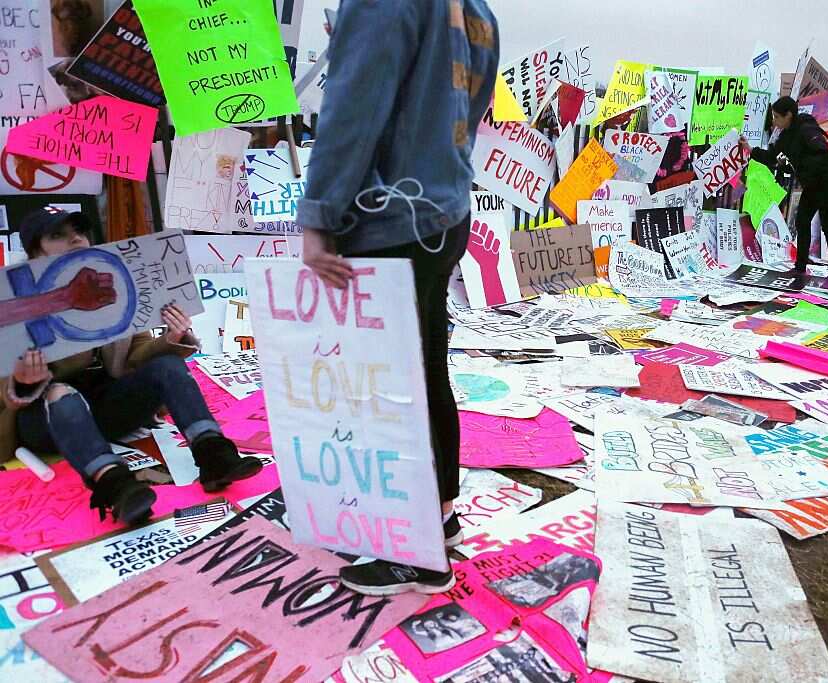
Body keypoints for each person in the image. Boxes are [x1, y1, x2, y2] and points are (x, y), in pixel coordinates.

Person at [296, 0, 499, 596]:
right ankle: (438, 513)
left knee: (387, 387)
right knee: (423, 368)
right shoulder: (477, 8)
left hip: (390, 216)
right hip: (440, 208)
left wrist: (319, 218)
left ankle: (420, 549)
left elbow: (353, 105)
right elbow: (471, 105)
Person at [1, 207, 262, 524]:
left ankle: (214, 455)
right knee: (59, 391)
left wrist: (172, 337)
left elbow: (138, 356)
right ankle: (115, 487)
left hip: (109, 408)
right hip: (49, 419)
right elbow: (7, 394)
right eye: (57, 235)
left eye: (79, 231)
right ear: (34, 252)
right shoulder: (13, 304)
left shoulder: (110, 283)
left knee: (168, 364)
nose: (75, 240)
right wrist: (26, 382)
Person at [740, 96, 828, 289]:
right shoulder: (786, 134)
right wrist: (750, 150)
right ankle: (800, 267)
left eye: (777, 117)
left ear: (789, 115)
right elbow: (772, 156)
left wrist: (798, 166)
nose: (774, 121)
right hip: (813, 184)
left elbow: (822, 153)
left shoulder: (806, 129)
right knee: (802, 221)